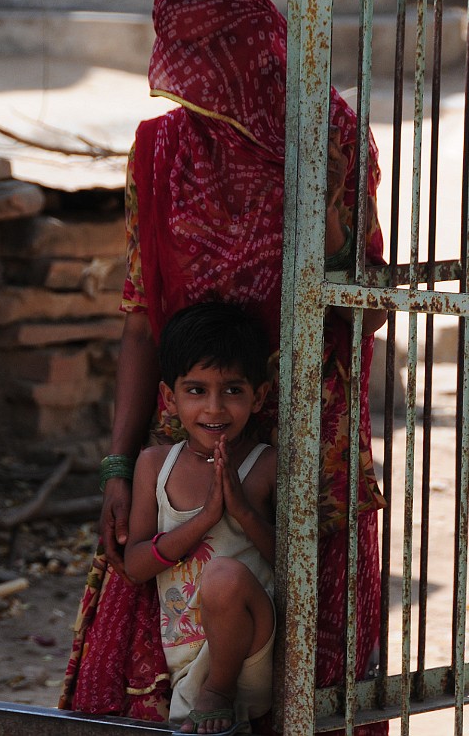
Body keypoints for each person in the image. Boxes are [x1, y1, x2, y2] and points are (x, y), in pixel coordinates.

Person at [59, 0, 389, 736]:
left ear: (260, 37)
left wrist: (322, 195)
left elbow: (366, 300)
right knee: (168, 657)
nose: (210, 74)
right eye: (192, 54)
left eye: (223, 49)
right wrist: (118, 464)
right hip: (186, 444)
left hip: (310, 437)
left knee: (310, 658)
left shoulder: (331, 133)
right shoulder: (160, 150)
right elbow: (141, 320)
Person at [126, 301, 276, 735]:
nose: (214, 409)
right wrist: (206, 518)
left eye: (232, 390)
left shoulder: (265, 465)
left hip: (250, 649)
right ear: (170, 399)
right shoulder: (156, 465)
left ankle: (220, 691)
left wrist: (242, 510)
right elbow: (135, 565)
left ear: (259, 396)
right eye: (196, 391)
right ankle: (212, 692)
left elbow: (294, 565)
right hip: (185, 653)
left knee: (224, 577)